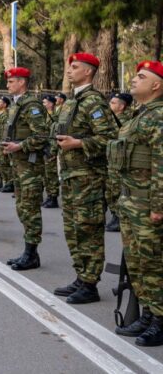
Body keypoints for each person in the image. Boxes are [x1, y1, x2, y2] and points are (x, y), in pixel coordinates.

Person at [53, 53, 118, 304]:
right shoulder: (72, 101)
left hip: (89, 177)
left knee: (88, 229)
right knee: (73, 230)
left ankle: (90, 284)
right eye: (69, 66)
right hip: (71, 175)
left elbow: (110, 138)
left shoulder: (94, 102)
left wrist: (78, 143)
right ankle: (81, 277)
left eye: (75, 67)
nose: (69, 70)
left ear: (88, 71)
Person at [108, 60, 163, 346]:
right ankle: (149, 313)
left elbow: (161, 164)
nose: (133, 79)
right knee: (137, 263)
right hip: (130, 201)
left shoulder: (159, 116)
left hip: (147, 204)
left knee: (153, 263)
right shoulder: (139, 115)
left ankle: (160, 319)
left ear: (156, 85)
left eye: (141, 76)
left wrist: (158, 206)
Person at [2, 67, 48, 271]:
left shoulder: (32, 106)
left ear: (22, 82)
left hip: (30, 165)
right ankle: (29, 252)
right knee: (22, 208)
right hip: (19, 164)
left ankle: (31, 253)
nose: (8, 85)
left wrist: (19, 146)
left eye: (11, 81)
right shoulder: (17, 104)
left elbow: (41, 136)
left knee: (30, 209)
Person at [105, 92, 134, 232]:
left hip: (119, 162)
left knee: (116, 190)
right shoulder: (112, 118)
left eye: (113, 103)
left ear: (122, 106)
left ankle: (118, 218)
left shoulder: (126, 121)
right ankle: (115, 216)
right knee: (110, 191)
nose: (109, 105)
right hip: (111, 160)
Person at [42, 95, 60, 208]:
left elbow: (55, 135)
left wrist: (53, 151)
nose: (43, 104)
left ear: (51, 104)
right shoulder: (45, 116)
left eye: (45, 102)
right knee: (46, 174)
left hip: (50, 149)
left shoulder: (55, 117)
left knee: (51, 174)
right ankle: (49, 195)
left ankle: (53, 198)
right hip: (44, 148)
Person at [0, 97, 13, 193]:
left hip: (3, 143)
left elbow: (7, 131)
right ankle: (6, 182)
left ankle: (10, 183)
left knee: (5, 164)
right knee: (1, 164)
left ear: (5, 105)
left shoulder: (6, 115)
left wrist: (6, 146)